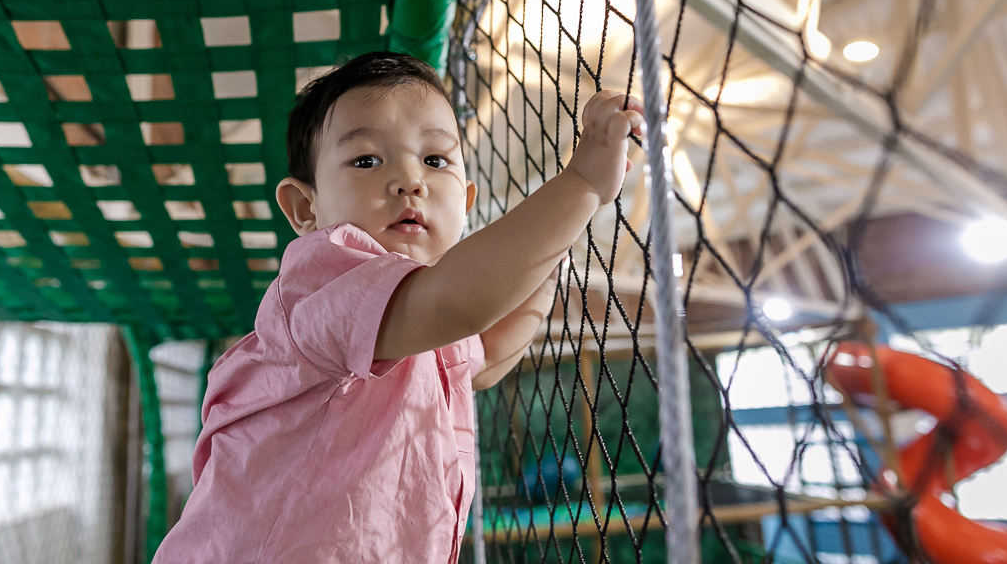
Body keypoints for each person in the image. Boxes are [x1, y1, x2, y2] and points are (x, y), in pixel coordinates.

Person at [152, 52, 643, 563]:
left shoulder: (424, 320)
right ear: (305, 207)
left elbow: (490, 354)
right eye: (366, 160)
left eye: (435, 161)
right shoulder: (324, 280)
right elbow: (458, 304)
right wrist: (580, 185)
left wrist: (551, 251)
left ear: (466, 202)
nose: (411, 179)